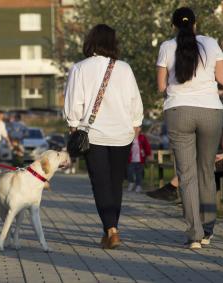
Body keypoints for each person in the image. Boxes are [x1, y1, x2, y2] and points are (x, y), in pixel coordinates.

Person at [64, 24, 144, 249]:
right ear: (113, 43)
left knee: (100, 183)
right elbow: (134, 102)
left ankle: (111, 229)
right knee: (115, 183)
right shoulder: (125, 68)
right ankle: (112, 230)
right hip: (122, 134)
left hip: (93, 135)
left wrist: (73, 127)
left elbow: (73, 104)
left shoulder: (79, 68)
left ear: (91, 41)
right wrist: (135, 126)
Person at [156, 7, 223, 249]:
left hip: (179, 111)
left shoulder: (167, 46)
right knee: (206, 171)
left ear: (173, 26)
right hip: (210, 111)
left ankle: (194, 234)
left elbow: (160, 86)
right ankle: (208, 230)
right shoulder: (211, 43)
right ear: (195, 24)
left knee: (186, 175)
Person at [127, 127, 152, 193]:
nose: (135, 129)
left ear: (140, 129)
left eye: (137, 127)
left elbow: (147, 146)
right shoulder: (129, 137)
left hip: (140, 159)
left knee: (139, 173)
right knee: (130, 172)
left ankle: (138, 185)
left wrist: (148, 154)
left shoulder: (142, 137)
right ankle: (131, 182)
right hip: (131, 159)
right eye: (134, 127)